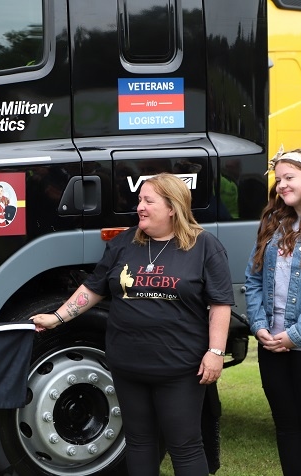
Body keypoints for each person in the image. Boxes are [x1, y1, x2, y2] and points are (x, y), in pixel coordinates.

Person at [31, 173, 233, 476]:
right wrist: (57, 317)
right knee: (139, 442)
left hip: (179, 368)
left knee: (185, 444)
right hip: (128, 365)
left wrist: (215, 352)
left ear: (172, 208)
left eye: (148, 201)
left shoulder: (204, 247)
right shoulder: (125, 242)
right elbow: (93, 288)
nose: (139, 206)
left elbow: (220, 304)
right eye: (140, 199)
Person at [245, 147, 301, 476]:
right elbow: (251, 280)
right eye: (279, 179)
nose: (282, 185)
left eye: (290, 178)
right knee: (286, 426)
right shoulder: (273, 225)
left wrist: (295, 336)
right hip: (272, 345)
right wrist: (259, 325)